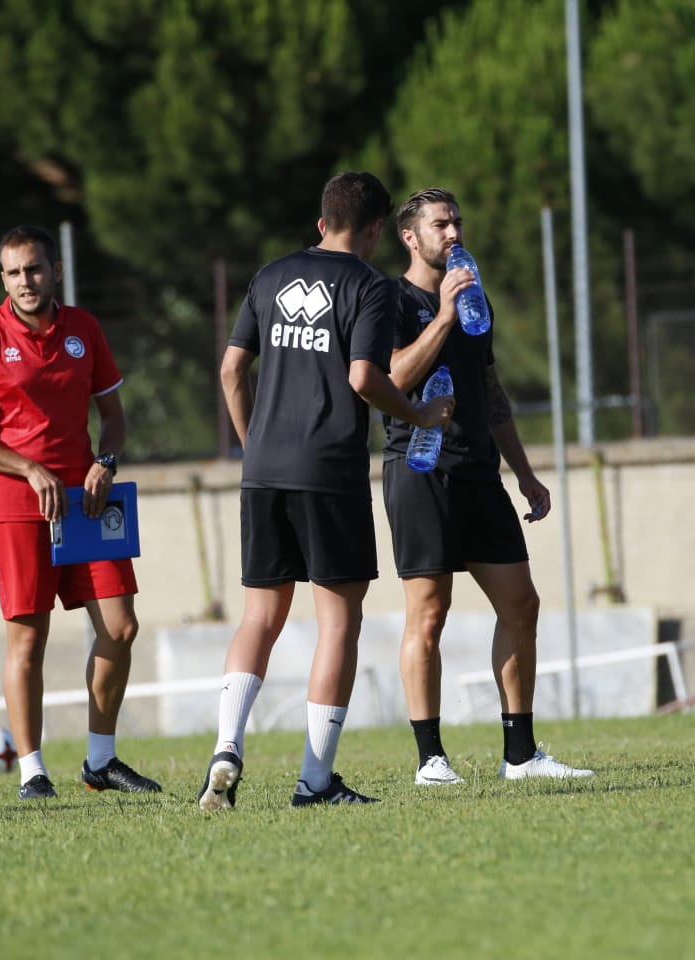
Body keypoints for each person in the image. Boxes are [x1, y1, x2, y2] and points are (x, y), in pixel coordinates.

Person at [198, 172, 455, 810]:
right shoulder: (368, 284)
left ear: (321, 223)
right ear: (374, 231)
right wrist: (420, 416)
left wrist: (252, 440)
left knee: (259, 615)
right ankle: (315, 781)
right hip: (328, 470)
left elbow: (232, 368)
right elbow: (366, 377)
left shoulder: (270, 275)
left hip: (263, 470)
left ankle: (226, 747)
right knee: (337, 620)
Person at [0, 225, 160, 800]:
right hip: (16, 505)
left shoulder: (84, 328)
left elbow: (112, 415)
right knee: (28, 642)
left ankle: (100, 761)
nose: (25, 281)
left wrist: (105, 461)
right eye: (13, 272)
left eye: (34, 269)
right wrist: (27, 469)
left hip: (87, 500)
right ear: (2, 279)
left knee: (121, 626)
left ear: (55, 270)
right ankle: (34, 771)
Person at [381, 187, 592, 785]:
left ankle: (520, 755)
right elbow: (391, 376)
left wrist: (524, 474)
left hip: (480, 472)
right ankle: (430, 760)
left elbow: (492, 392)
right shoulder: (390, 299)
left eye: (457, 223)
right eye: (440, 225)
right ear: (410, 237)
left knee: (522, 603)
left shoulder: (477, 298)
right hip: (420, 470)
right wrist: (444, 314)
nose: (453, 234)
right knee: (429, 612)